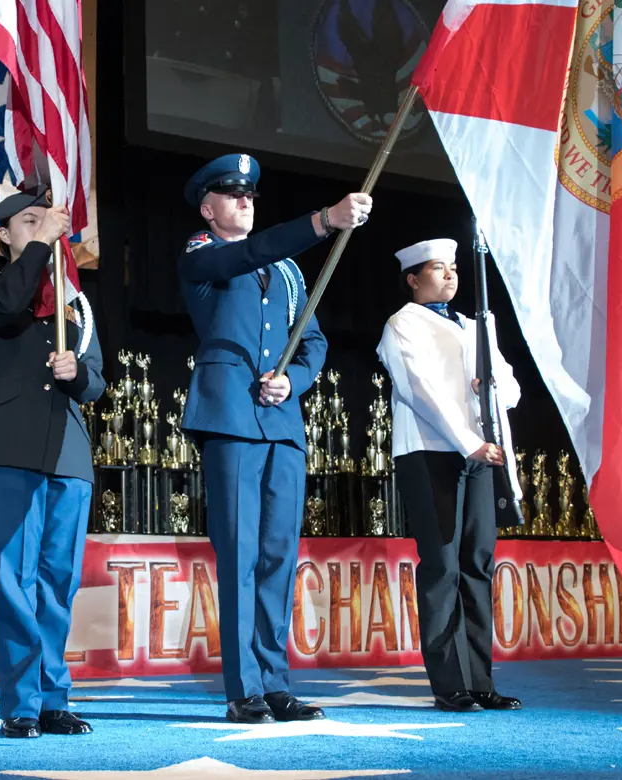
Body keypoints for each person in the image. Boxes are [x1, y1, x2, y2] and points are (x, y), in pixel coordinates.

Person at [178, 153, 373, 724]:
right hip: (231, 420)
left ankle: (274, 680)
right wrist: (322, 221)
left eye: (251, 195)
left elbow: (312, 341)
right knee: (238, 554)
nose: (246, 201)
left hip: (281, 426)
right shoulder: (204, 253)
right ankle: (244, 688)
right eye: (232, 194)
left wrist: (294, 381)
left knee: (277, 557)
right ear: (208, 208)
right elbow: (248, 253)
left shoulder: (288, 273)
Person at [0, 187, 105, 739]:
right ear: (4, 232)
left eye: (48, 221)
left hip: (67, 451)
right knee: (16, 582)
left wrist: (78, 373)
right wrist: (43, 243)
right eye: (30, 221)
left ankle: (53, 698)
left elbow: (97, 380)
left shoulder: (75, 300)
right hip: (7, 448)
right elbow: (4, 308)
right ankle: (21, 703)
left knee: (58, 582)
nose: (43, 228)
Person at [375, 238, 523, 713]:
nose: (451, 276)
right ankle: (449, 683)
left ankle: (481, 680)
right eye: (438, 269)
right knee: (442, 566)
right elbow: (421, 391)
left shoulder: (475, 326)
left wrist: (493, 390)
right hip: (430, 451)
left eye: (455, 268)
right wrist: (468, 441)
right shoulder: (402, 324)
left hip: (479, 453)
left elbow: (512, 387)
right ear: (414, 279)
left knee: (478, 563)